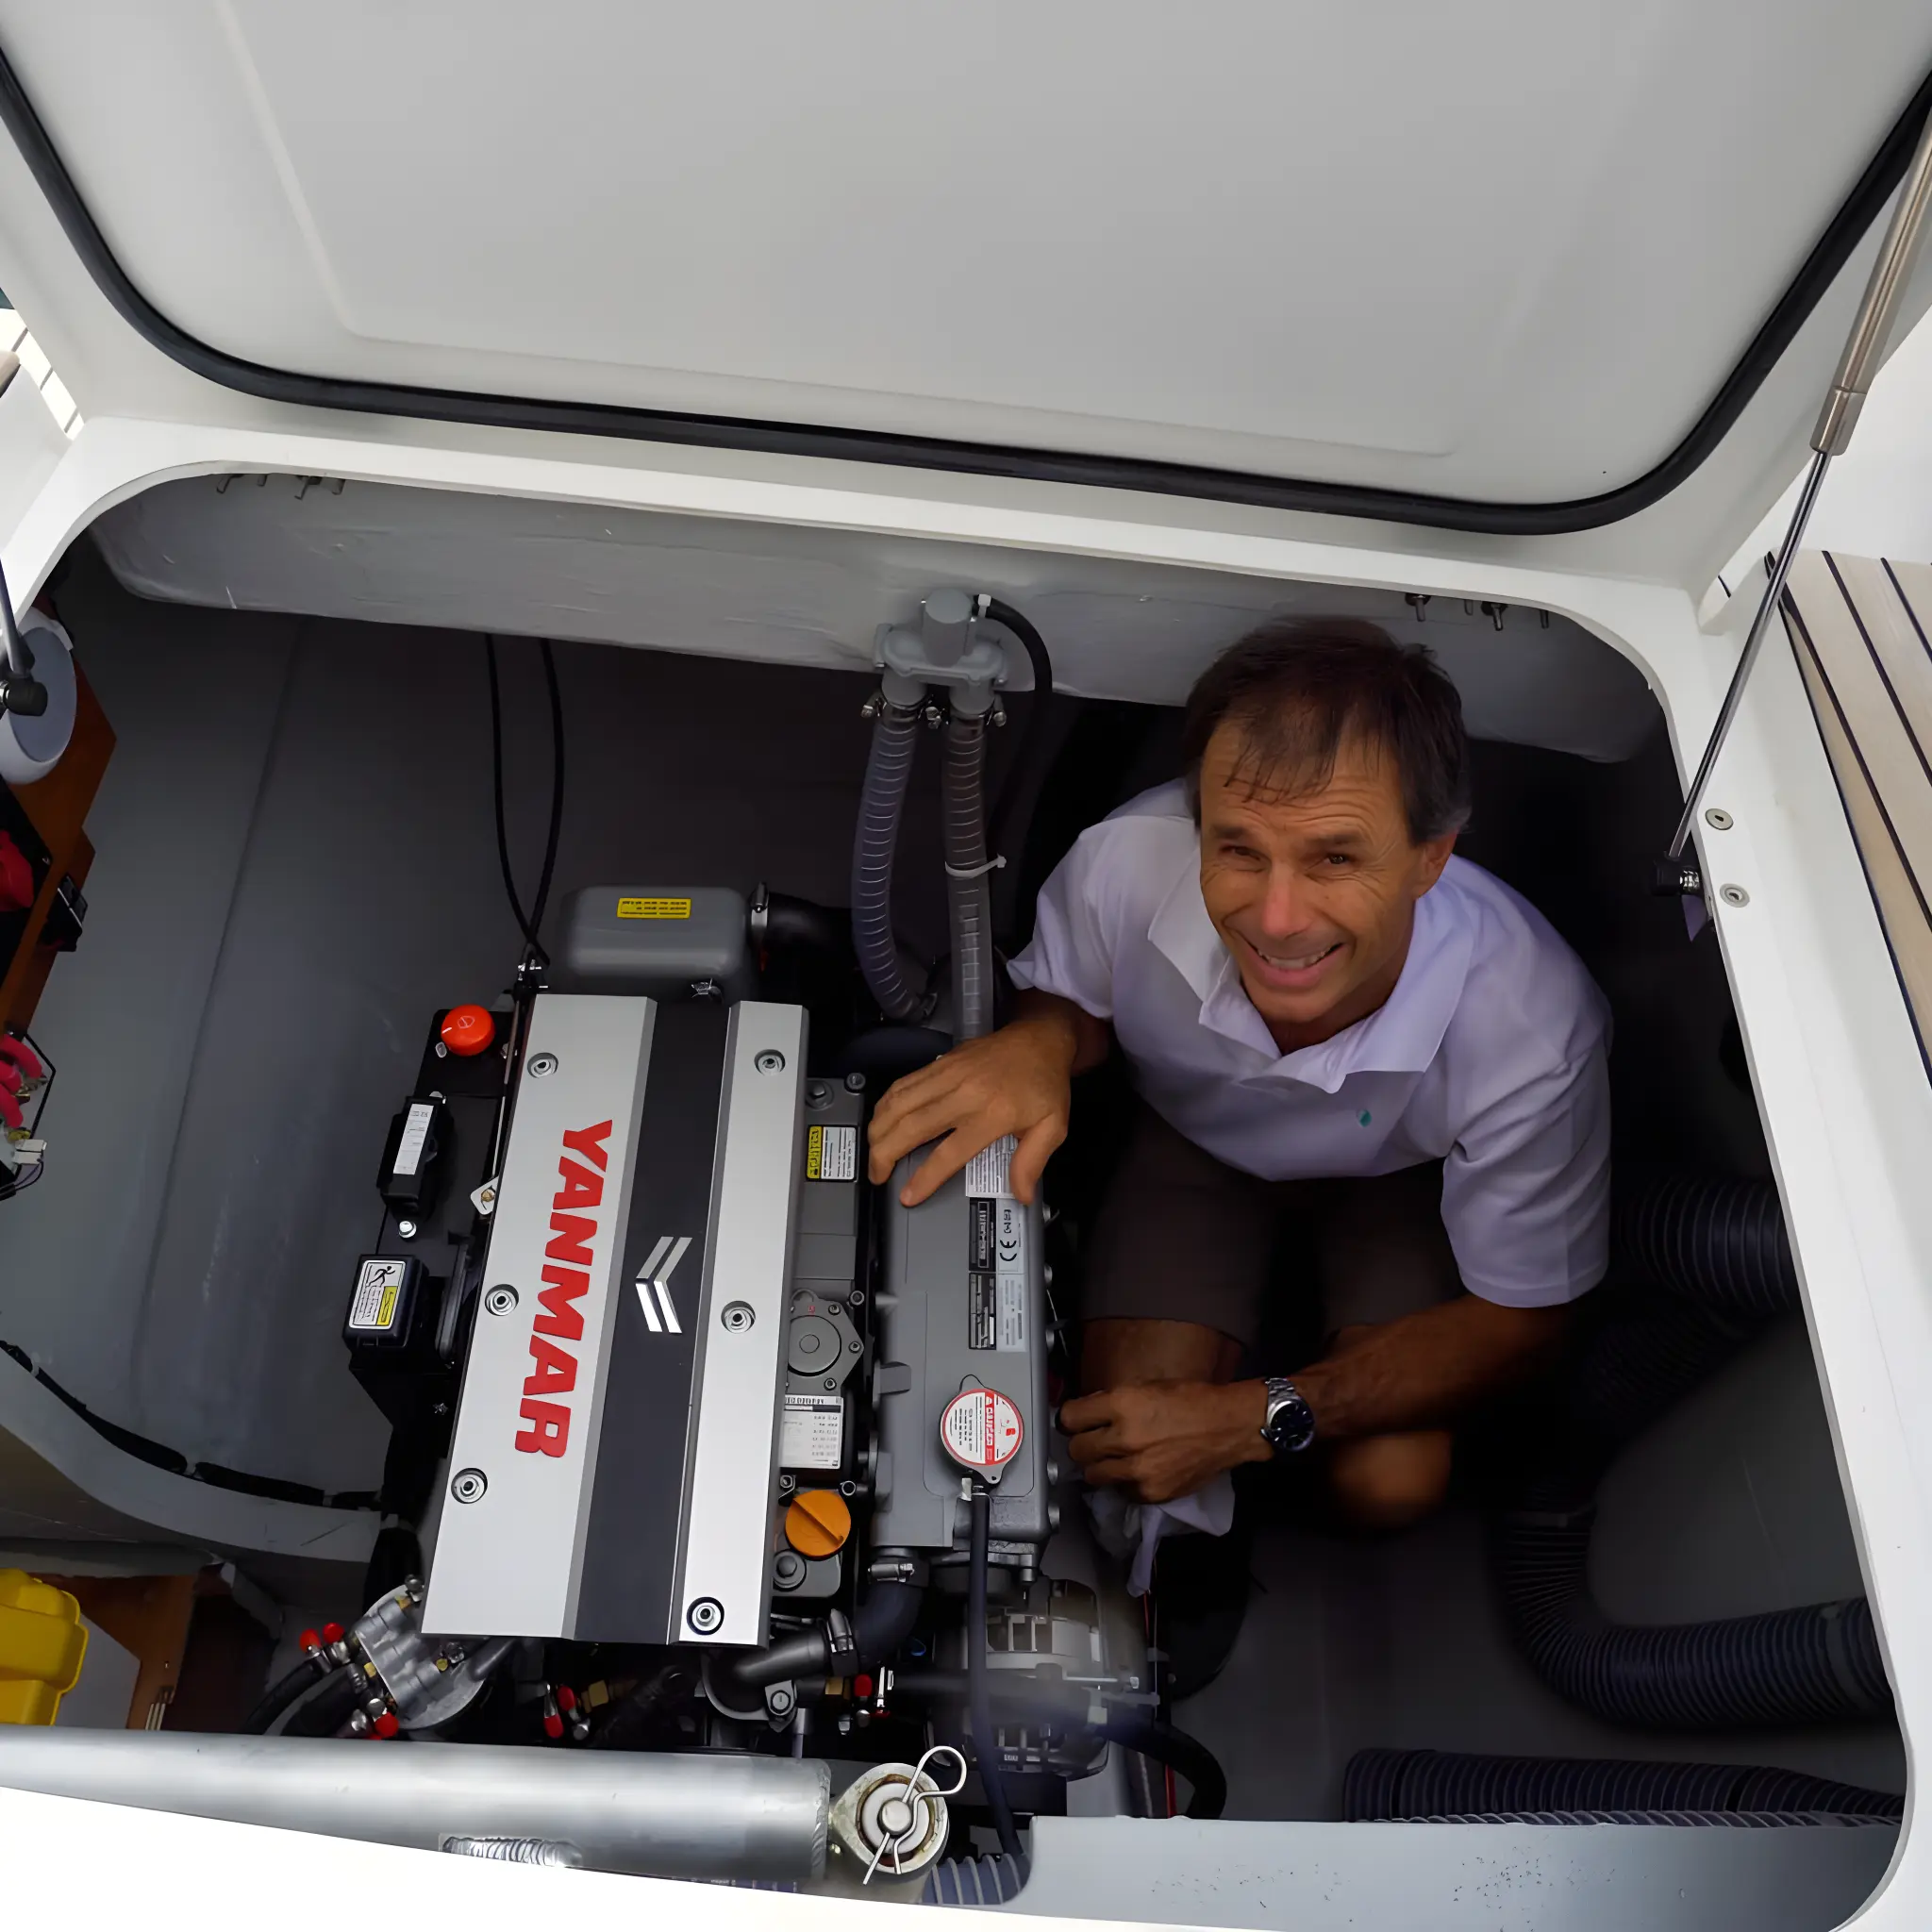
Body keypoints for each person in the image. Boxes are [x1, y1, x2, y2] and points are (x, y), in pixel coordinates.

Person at [866, 619, 1610, 1545]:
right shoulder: (1123, 861)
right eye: (1238, 848)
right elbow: (1070, 999)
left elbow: (1520, 1321)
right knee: (1119, 1446)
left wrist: (1252, 1414)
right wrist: (1041, 1042)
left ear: (1430, 856)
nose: (1277, 917)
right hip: (1188, 1140)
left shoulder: (1535, 1027)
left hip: (1398, 1180)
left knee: (1393, 1480)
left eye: (1334, 856)